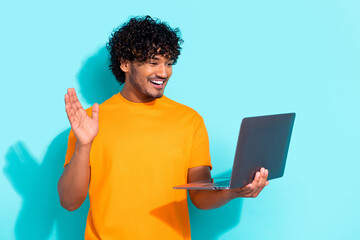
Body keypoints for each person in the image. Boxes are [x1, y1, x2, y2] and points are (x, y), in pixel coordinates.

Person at [57, 15, 269, 240]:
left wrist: (236, 191)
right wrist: (84, 144)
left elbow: (200, 196)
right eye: (153, 61)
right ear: (125, 63)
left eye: (169, 63)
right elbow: (70, 202)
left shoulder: (189, 120)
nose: (163, 72)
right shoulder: (89, 122)